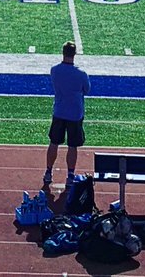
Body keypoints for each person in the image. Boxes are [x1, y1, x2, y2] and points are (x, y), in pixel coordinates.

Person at [43, 41, 89, 186]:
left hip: (59, 111)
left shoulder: (55, 70)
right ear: (74, 54)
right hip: (75, 113)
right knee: (72, 146)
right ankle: (70, 174)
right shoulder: (81, 74)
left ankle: (48, 172)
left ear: (63, 52)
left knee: (54, 143)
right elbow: (86, 90)